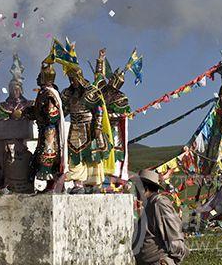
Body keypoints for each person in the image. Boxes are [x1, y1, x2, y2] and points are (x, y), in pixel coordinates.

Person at [61, 66, 110, 193]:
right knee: (75, 155)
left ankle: (93, 184)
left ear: (80, 77)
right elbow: (64, 110)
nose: (72, 82)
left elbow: (99, 109)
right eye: (70, 79)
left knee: (93, 156)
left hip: (89, 127)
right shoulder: (68, 93)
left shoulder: (90, 91)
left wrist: (98, 126)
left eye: (74, 79)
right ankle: (78, 184)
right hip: (74, 127)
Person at [25, 62, 67, 191]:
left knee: (48, 157)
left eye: (39, 76)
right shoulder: (43, 92)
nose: (37, 79)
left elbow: (52, 115)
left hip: (50, 132)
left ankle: (52, 187)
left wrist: (40, 115)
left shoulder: (50, 94)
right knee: (40, 157)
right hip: (43, 130)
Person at [135, 169, 187, 265]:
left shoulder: (159, 203)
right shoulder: (148, 205)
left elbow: (173, 231)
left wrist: (176, 256)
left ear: (144, 188)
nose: (136, 192)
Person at [95, 48, 131, 182]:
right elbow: (98, 75)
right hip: (100, 127)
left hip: (113, 129)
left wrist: (108, 116)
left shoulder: (121, 98)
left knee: (114, 152)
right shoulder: (102, 88)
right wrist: (101, 59)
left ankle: (112, 180)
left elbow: (122, 114)